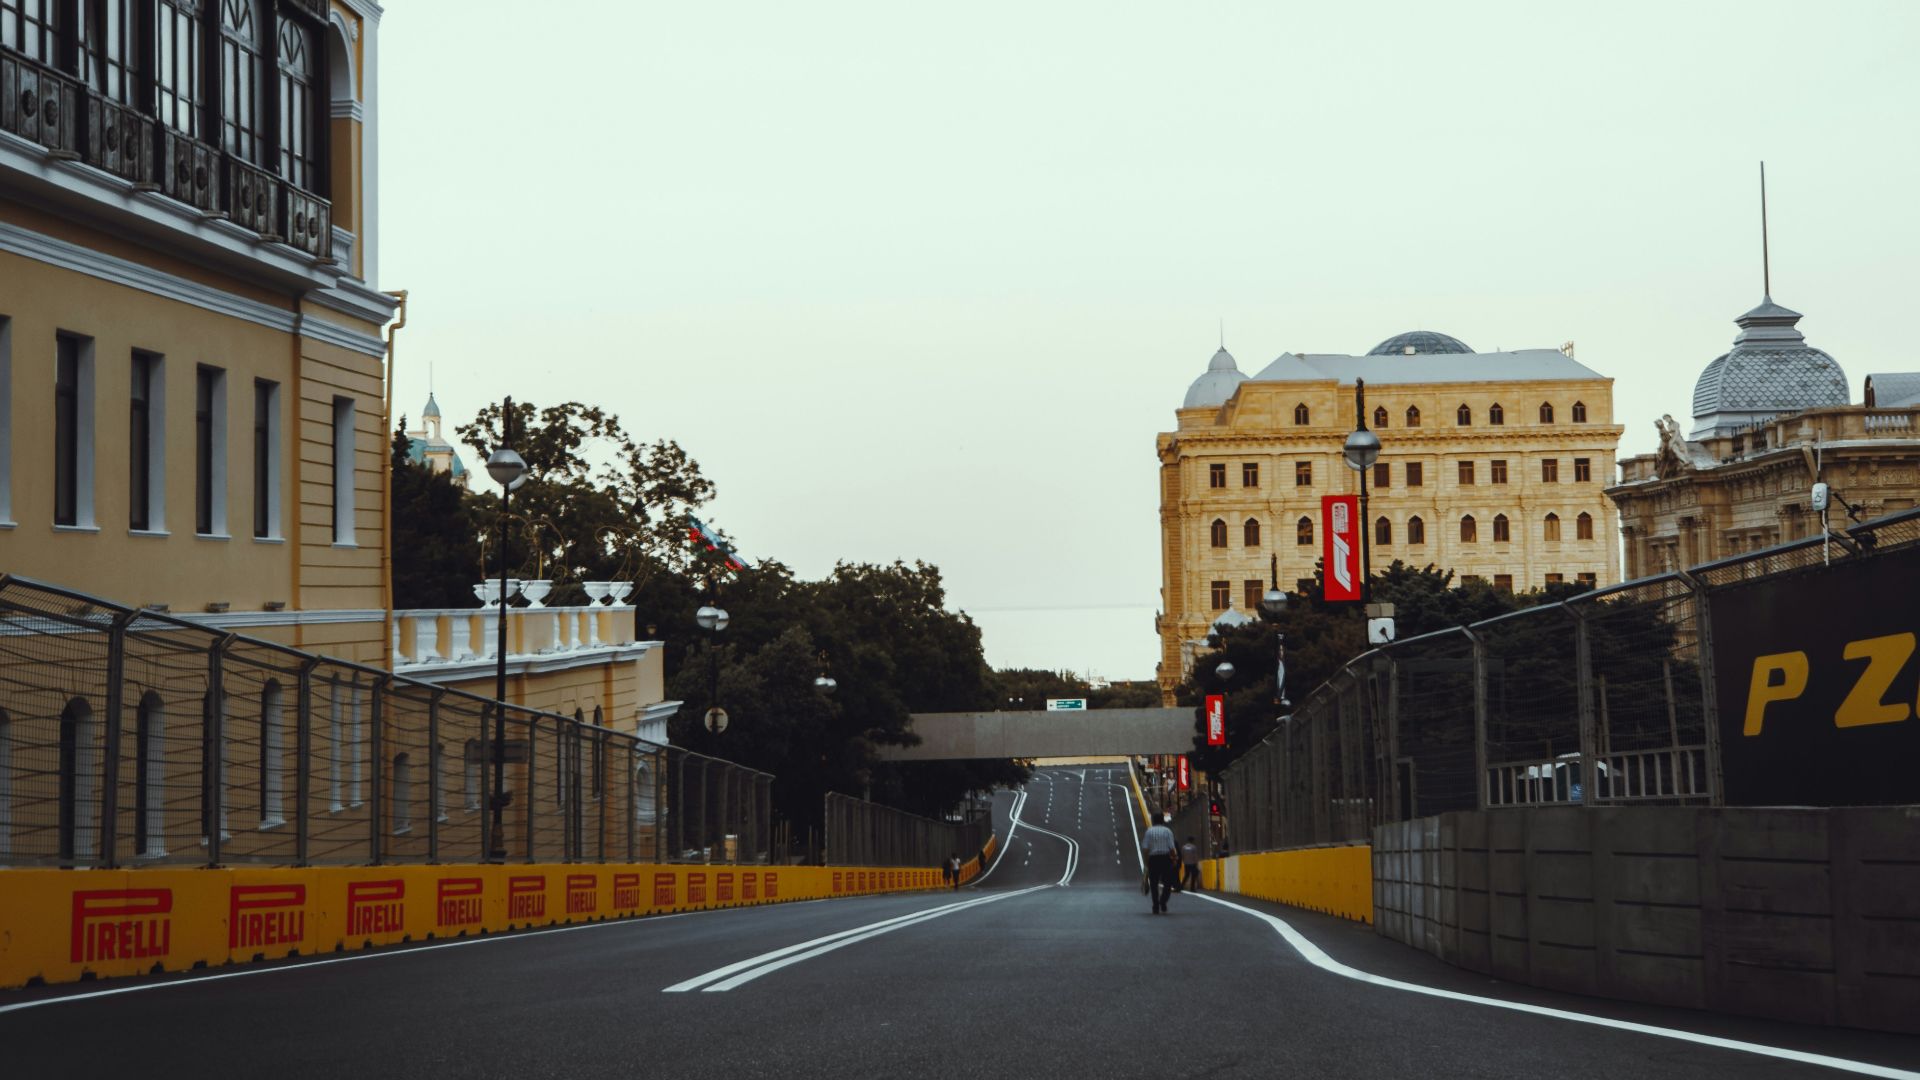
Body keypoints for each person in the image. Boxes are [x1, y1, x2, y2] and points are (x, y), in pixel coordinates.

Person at [1140, 815, 1179, 914]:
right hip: (1165, 859)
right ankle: (1163, 901)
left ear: (1153, 821)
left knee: (1153, 884)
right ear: (1162, 821)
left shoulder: (1149, 832)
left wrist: (1146, 862)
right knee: (1168, 883)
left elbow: (1145, 848)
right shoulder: (1167, 831)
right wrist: (1174, 859)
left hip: (1153, 859)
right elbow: (1171, 847)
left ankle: (1155, 906)